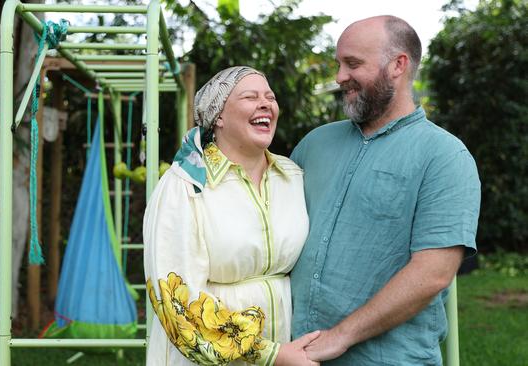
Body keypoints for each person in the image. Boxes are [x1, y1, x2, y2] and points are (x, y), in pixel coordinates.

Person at [290, 15, 481, 365]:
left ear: (398, 64)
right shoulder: (314, 144)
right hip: (295, 354)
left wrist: (339, 337)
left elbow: (432, 273)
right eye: (338, 64)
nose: (339, 77)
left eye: (353, 64)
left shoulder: (445, 156)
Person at [144, 66, 319, 365]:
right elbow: (177, 302)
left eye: (270, 97)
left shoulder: (292, 176)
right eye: (250, 97)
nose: (265, 103)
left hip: (290, 348)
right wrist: (271, 355)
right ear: (218, 117)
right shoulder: (185, 184)